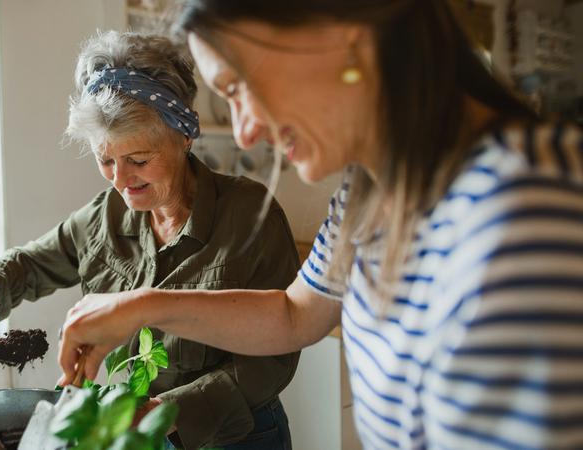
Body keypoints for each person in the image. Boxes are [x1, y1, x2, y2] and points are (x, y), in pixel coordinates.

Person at [57, 1, 583, 449]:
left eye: (238, 87)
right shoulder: (367, 193)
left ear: (342, 38)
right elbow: (293, 314)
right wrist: (141, 308)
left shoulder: (524, 211)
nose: (245, 133)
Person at [0, 31, 301, 450]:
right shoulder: (102, 217)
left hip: (236, 437)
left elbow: (273, 359)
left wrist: (167, 410)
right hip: (140, 433)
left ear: (184, 136)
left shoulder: (250, 215)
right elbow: (31, 264)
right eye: (105, 160)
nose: (121, 181)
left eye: (139, 161)